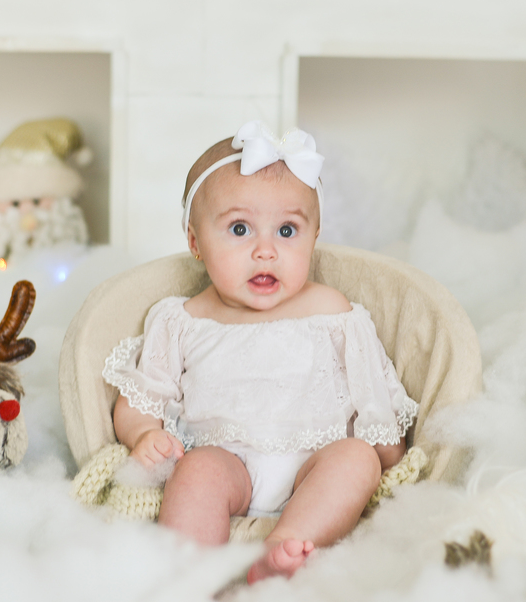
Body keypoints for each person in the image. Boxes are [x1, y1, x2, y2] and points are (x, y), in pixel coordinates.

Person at [102, 121, 417, 583]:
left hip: (314, 462)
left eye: (287, 230)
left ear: (314, 238)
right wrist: (144, 435)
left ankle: (278, 552)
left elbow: (370, 386)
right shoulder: (183, 318)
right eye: (240, 228)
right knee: (197, 473)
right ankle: (192, 577)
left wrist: (384, 445)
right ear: (196, 242)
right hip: (228, 463)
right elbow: (142, 396)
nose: (265, 251)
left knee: (356, 460)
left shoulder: (332, 310)